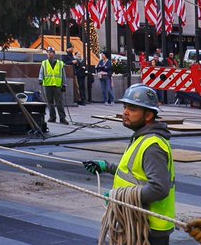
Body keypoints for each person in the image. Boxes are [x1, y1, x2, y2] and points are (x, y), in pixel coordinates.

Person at [83, 84, 176, 244]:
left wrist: (119, 198)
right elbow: (134, 173)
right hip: (140, 222)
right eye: (125, 107)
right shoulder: (142, 138)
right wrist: (107, 166)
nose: (125, 112)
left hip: (149, 228)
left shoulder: (152, 145)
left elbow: (159, 189)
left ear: (148, 116)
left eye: (132, 109)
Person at [39, 47, 68, 125]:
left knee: (59, 102)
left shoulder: (60, 63)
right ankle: (52, 117)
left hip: (57, 86)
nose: (49, 53)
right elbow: (41, 72)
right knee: (50, 102)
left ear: (54, 53)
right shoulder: (44, 63)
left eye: (51, 52)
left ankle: (62, 118)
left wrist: (64, 84)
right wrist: (40, 79)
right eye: (48, 52)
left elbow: (63, 75)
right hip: (48, 85)